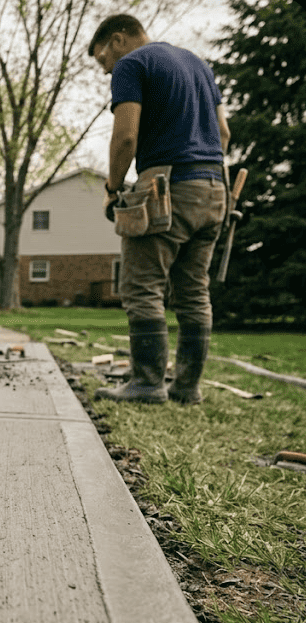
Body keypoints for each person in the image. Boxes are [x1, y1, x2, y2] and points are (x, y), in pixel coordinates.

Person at [88, 14, 230, 404]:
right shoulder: (199, 66)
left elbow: (125, 137)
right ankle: (186, 387)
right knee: (194, 291)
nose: (106, 70)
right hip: (214, 186)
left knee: (141, 286)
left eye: (103, 60)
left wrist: (113, 189)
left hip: (166, 185)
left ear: (118, 40)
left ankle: (148, 383)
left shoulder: (133, 64)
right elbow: (223, 134)